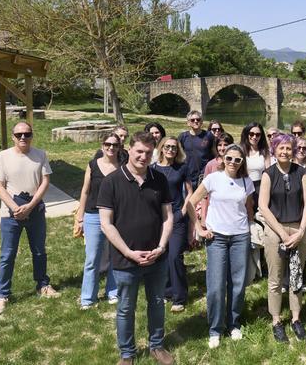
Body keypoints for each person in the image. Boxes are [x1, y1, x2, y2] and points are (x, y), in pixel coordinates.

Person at [98, 132, 175, 365]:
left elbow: (168, 217)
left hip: (156, 258)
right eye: (139, 151)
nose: (143, 156)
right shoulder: (112, 181)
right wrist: (128, 252)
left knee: (157, 303)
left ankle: (157, 345)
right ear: (129, 150)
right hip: (125, 260)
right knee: (125, 308)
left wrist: (161, 247)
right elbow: (106, 223)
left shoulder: (159, 179)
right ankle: (127, 353)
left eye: (148, 153)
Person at [185, 144, 255, 349]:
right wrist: (199, 227)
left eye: (238, 160)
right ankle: (215, 328)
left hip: (240, 236)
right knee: (216, 286)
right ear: (223, 158)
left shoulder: (247, 182)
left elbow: (248, 208)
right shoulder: (213, 178)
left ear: (242, 162)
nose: (233, 162)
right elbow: (191, 202)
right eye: (230, 158)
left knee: (238, 283)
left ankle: (233, 323)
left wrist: (251, 229)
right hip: (217, 238)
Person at [0, 121, 59, 316]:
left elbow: (45, 182)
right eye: (19, 134)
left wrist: (30, 206)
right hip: (10, 214)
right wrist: (15, 208)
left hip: (35, 211)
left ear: (31, 135)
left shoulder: (40, 155)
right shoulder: (3, 157)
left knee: (39, 251)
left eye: (26, 134)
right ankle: (2, 295)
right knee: (7, 255)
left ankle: (43, 285)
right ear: (13, 136)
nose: (23, 137)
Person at [258, 134, 306, 343]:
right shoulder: (268, 174)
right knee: (275, 278)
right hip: (275, 229)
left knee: (296, 276)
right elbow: (263, 206)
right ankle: (276, 319)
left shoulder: (301, 173)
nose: (285, 152)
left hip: (299, 228)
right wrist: (282, 233)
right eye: (281, 148)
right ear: (274, 150)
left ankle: (296, 318)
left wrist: (300, 231)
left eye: (288, 148)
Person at [75, 133, 120, 309]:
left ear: (119, 147)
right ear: (102, 146)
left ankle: (113, 292)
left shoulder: (123, 167)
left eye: (115, 145)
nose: (111, 147)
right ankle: (88, 298)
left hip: (116, 216)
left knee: (116, 256)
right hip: (93, 215)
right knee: (92, 258)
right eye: (107, 144)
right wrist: (80, 215)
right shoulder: (93, 165)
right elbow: (85, 191)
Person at [151, 137, 194, 313]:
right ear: (161, 148)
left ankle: (179, 296)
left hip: (176, 217)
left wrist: (183, 211)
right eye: (167, 147)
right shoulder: (152, 169)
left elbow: (190, 192)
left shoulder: (181, 168)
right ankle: (167, 291)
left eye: (174, 148)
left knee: (175, 255)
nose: (170, 150)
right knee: (163, 256)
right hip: (157, 218)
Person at [240, 122, 270, 283]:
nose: (254, 137)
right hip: (244, 188)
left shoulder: (264, 152)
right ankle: (247, 264)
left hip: (260, 189)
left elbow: (268, 171)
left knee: (262, 224)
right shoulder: (241, 151)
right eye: (251, 134)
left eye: (258, 134)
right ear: (246, 134)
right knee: (245, 225)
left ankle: (263, 263)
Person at [178, 110, 215, 190]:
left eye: (198, 119)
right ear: (188, 123)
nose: (196, 121)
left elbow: (214, 153)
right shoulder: (183, 137)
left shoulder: (209, 136)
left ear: (201, 122)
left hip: (205, 175)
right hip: (188, 176)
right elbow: (179, 155)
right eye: (192, 120)